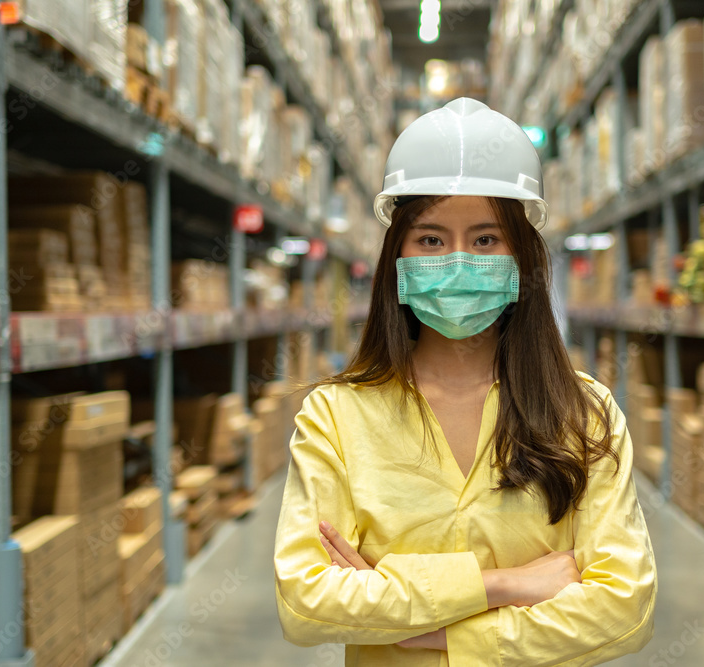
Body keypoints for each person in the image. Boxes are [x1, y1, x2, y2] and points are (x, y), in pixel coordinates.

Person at [273, 97, 657, 666]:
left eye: (485, 240)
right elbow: (305, 602)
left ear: (522, 259)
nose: (457, 262)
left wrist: (432, 626)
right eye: (431, 240)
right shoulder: (335, 415)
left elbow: (625, 608)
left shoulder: (584, 411)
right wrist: (504, 585)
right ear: (396, 258)